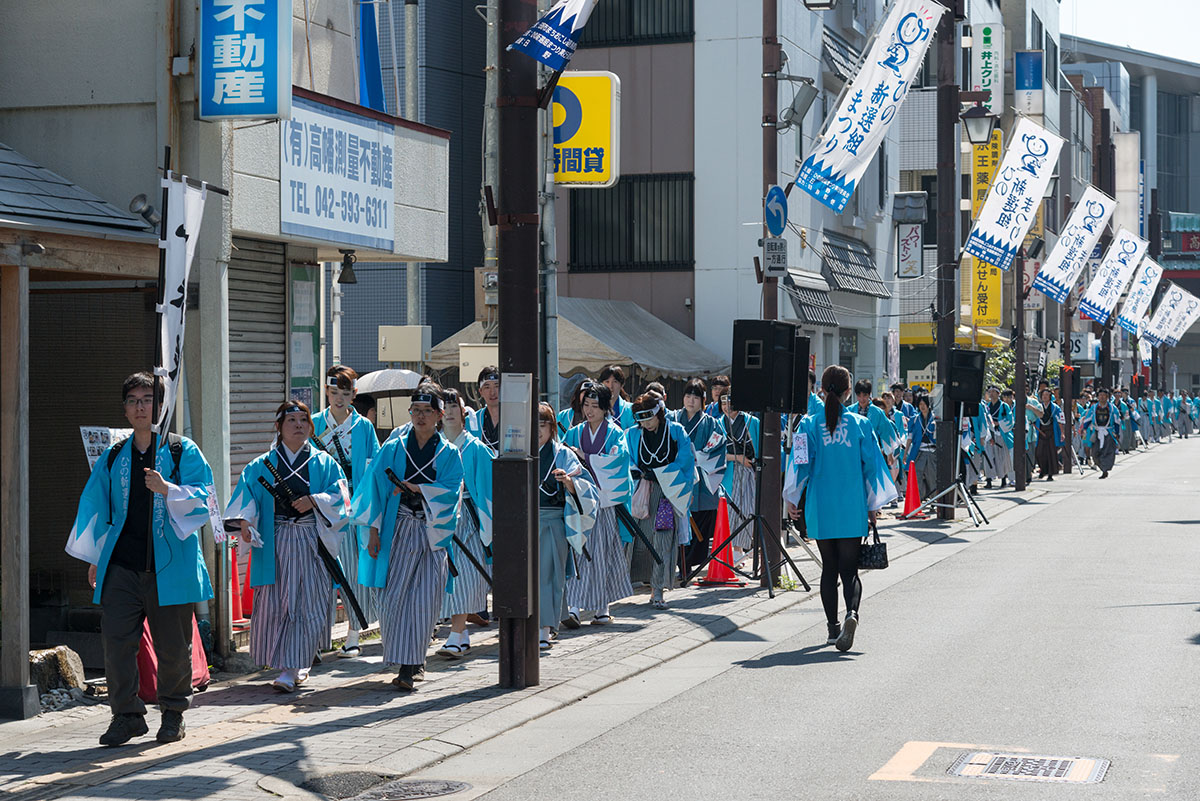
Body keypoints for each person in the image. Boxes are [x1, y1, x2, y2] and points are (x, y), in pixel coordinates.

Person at [67, 373, 216, 746]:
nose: (139, 406)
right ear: (125, 408)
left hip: (171, 565)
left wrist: (169, 490)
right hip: (121, 565)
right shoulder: (115, 455)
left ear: (161, 406)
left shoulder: (183, 451)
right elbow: (98, 507)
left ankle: (173, 713)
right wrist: (95, 558)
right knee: (117, 643)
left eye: (147, 399)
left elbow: (207, 501)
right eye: (132, 399)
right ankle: (127, 715)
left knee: (172, 646)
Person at [226, 400, 348, 694]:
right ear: (279, 427)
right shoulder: (261, 465)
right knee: (278, 603)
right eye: (291, 420)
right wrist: (245, 522)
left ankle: (294, 666)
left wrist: (315, 501)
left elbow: (341, 499)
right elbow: (246, 500)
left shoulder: (324, 463)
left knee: (308, 602)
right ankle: (289, 666)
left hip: (311, 540)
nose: (298, 425)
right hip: (276, 540)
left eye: (303, 420)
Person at [352, 384, 463, 691]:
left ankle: (412, 665)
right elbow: (374, 488)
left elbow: (453, 492)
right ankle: (403, 658)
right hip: (396, 527)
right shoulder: (394, 447)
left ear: (440, 415)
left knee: (425, 599)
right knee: (393, 597)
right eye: (416, 411)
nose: (421, 417)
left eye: (428, 411)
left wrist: (420, 490)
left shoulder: (449, 453)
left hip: (430, 531)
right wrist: (372, 530)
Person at [785, 365, 897, 652]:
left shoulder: (807, 425)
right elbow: (872, 468)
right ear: (849, 392)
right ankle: (853, 614)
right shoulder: (861, 425)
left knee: (828, 570)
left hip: (820, 505)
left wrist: (791, 498)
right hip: (852, 505)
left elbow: (798, 464)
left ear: (821, 390)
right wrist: (873, 506)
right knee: (850, 570)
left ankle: (833, 629)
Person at [312, 365, 382, 659]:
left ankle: (354, 633)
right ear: (326, 392)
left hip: (353, 506)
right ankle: (316, 636)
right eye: (333, 392)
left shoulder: (363, 427)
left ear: (354, 394)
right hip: (322, 503)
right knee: (318, 572)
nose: (339, 399)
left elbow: (374, 465)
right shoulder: (314, 423)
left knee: (352, 570)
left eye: (345, 393)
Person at [563, 384, 634, 626]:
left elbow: (619, 461)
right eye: (586, 406)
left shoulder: (615, 433)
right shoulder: (573, 433)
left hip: (602, 504)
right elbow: (561, 457)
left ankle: (601, 607)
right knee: (576, 551)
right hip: (578, 500)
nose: (590, 411)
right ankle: (572, 607)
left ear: (605, 409)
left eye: (595, 406)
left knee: (601, 554)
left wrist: (586, 457)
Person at [534, 403, 598, 649]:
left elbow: (589, 489)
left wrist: (570, 483)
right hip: (527, 520)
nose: (538, 431)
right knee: (532, 577)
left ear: (552, 428)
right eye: (534, 426)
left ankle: (545, 629)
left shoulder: (563, 454)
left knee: (551, 575)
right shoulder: (520, 451)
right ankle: (538, 624)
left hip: (553, 520)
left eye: (543, 425)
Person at [435, 390, 494, 657]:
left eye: (453, 406)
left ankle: (456, 633)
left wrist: (488, 525)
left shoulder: (476, 448)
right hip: (438, 515)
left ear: (463, 411)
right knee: (442, 575)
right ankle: (461, 634)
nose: (448, 412)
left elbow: (488, 490)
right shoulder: (433, 445)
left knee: (464, 576)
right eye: (443, 407)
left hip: (468, 517)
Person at [626, 394, 696, 609]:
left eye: (650, 419)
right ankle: (644, 583)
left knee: (663, 541)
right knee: (642, 541)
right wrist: (636, 472)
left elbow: (686, 459)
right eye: (642, 420)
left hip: (668, 492)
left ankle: (658, 590)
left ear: (660, 413)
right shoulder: (632, 434)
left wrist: (664, 475)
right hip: (643, 492)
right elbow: (626, 457)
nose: (646, 424)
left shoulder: (675, 431)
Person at [670, 379, 726, 574]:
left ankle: (691, 564)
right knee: (675, 523)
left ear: (703, 400)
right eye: (687, 396)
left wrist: (702, 457)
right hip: (677, 478)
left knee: (700, 524)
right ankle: (678, 562)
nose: (690, 400)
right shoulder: (672, 418)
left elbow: (719, 446)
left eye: (695, 397)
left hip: (701, 480)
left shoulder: (710, 422)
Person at [718, 392, 759, 565]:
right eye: (724, 403)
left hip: (749, 471)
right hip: (728, 472)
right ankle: (732, 550)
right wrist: (737, 458)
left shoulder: (752, 422)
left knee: (747, 508)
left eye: (730, 403)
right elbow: (714, 453)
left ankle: (739, 549)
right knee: (730, 510)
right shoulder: (718, 423)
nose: (727, 407)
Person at [1081, 387, 1120, 479]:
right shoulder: (1094, 408)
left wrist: (1117, 433)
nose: (1102, 397)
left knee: (1108, 452)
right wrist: (1084, 428)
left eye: (1104, 395)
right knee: (1094, 453)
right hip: (1097, 432)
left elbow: (1117, 422)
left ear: (1107, 397)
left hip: (1108, 432)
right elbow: (1088, 419)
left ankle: (1105, 470)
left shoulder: (1112, 408)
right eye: (1100, 395)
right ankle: (1100, 466)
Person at [906, 394, 937, 502]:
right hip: (919, 451)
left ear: (928, 405)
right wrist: (906, 454)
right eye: (920, 404)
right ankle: (918, 500)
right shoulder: (914, 419)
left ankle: (934, 501)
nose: (922, 406)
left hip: (932, 451)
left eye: (924, 404)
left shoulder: (935, 418)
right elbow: (909, 438)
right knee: (917, 476)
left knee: (932, 477)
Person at [981, 386, 1014, 489]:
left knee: (1002, 458)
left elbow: (1010, 420)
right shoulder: (987, 406)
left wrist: (998, 423)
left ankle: (1003, 479)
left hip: (1000, 434)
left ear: (998, 393)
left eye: (993, 392)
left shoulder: (1004, 406)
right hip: (989, 434)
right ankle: (989, 479)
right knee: (988, 457)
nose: (991, 394)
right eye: (989, 392)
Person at [465, 366, 502, 451]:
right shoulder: (471, 421)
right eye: (487, 387)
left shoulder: (514, 419)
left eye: (496, 386)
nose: (492, 392)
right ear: (480, 391)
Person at [1034, 388, 1064, 481]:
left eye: (1047, 395)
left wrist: (1062, 433)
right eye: (1043, 395)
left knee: (1051, 453)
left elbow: (1060, 421)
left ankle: (1050, 473)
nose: (1045, 397)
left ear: (1050, 396)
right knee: (1039, 453)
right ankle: (1043, 470)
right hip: (1041, 432)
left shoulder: (1055, 408)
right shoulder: (1039, 407)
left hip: (1052, 432)